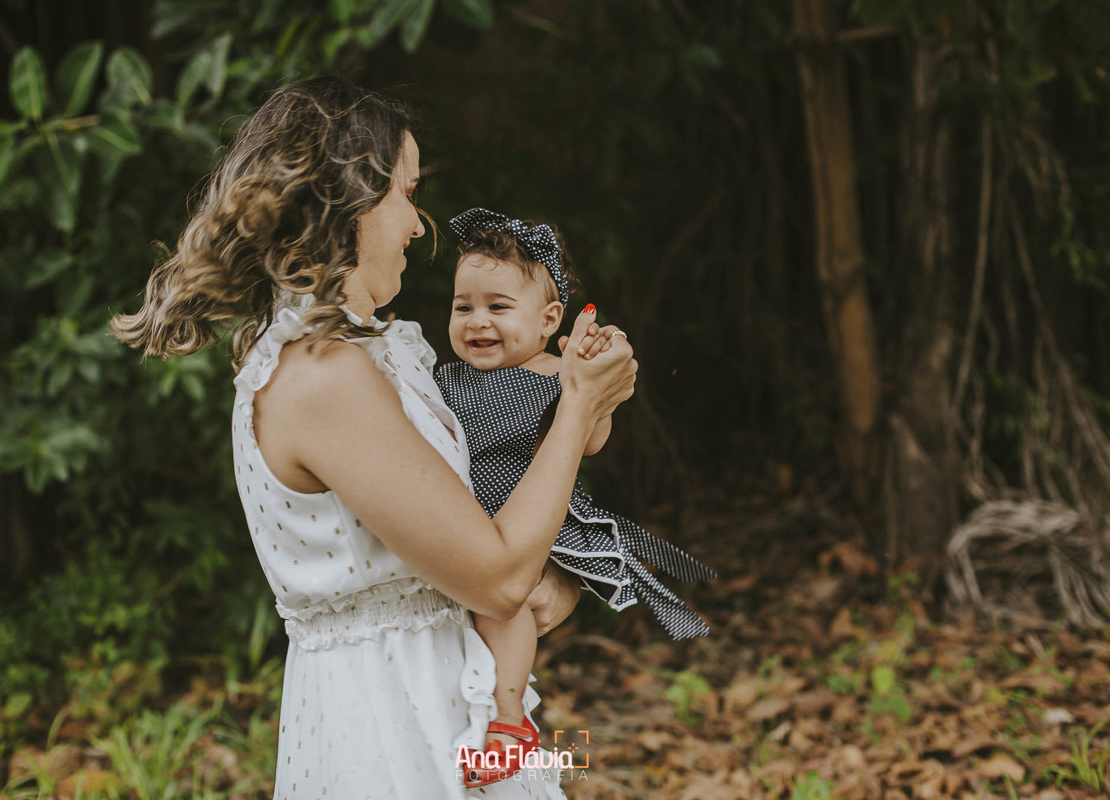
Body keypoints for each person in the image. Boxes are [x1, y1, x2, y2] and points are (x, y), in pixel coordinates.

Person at [110, 77, 637, 799]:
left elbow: (467, 546)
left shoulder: (380, 352)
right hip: (390, 723)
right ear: (347, 200)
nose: (419, 226)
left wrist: (552, 583)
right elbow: (494, 574)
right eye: (406, 193)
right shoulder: (321, 376)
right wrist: (576, 410)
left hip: (451, 693)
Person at [433, 208, 715, 786]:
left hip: (516, 522)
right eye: (464, 306)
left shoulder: (552, 373)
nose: (477, 321)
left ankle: (509, 720)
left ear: (548, 320)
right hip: (463, 524)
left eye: (499, 307)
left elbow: (588, 439)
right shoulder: (443, 376)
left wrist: (591, 391)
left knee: (505, 602)